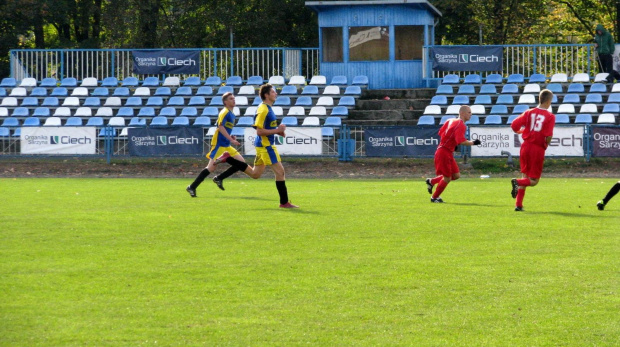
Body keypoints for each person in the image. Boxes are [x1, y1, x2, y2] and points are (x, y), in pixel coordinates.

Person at [214, 84, 299, 208]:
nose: (276, 94)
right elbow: (259, 131)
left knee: (255, 174)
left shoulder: (268, 108)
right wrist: (277, 130)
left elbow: (265, 129)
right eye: (273, 92)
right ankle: (284, 202)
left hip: (263, 145)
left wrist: (278, 131)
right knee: (280, 172)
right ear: (266, 95)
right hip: (266, 146)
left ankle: (228, 158)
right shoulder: (263, 109)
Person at [186, 92, 244, 197]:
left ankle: (219, 178)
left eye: (234, 98)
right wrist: (230, 139)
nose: (233, 100)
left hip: (226, 145)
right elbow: (220, 127)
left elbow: (225, 128)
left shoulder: (232, 113)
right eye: (231, 99)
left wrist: (231, 137)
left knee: (241, 163)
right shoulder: (224, 112)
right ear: (225, 102)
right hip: (219, 144)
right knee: (211, 168)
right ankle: (192, 187)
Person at [509, 89, 555, 211]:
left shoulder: (529, 112)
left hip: (525, 147)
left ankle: (518, 205)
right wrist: (546, 145)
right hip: (537, 149)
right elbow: (549, 136)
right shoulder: (550, 116)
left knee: (525, 176)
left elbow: (514, 125)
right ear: (549, 101)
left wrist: (521, 131)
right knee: (533, 181)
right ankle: (517, 182)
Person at [425, 105, 481, 203]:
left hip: (446, 151)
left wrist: (451, 144)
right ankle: (434, 197)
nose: (471, 114)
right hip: (444, 152)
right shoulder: (461, 124)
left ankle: (432, 181)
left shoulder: (450, 120)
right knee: (447, 177)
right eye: (469, 112)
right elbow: (461, 141)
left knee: (456, 175)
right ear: (462, 113)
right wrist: (473, 142)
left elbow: (441, 133)